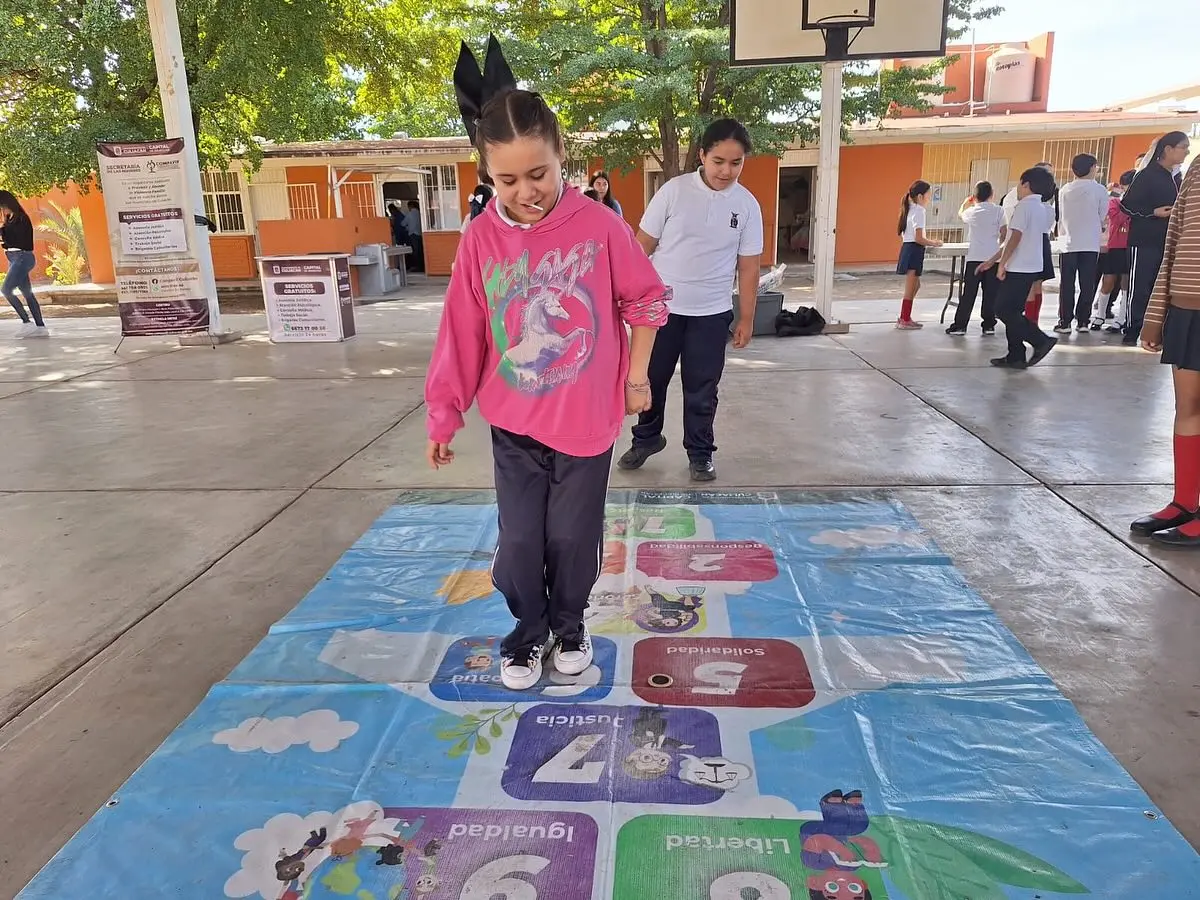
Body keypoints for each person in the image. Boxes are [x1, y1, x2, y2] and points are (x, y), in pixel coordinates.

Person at [427, 37, 669, 690]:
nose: (525, 191)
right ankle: (526, 634)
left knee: (570, 538)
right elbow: (462, 331)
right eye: (506, 180)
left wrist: (637, 377)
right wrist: (445, 413)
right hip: (514, 421)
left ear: (562, 153)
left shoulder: (601, 226)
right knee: (519, 543)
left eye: (538, 173)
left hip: (586, 421)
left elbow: (646, 302)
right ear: (487, 175)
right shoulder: (481, 238)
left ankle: (569, 627)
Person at [615, 118, 764, 483]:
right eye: (718, 161)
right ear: (702, 155)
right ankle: (647, 439)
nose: (726, 171)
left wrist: (746, 318)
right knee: (650, 379)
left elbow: (748, 267)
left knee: (702, 388)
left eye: (736, 162)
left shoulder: (746, 205)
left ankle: (700, 452)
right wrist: (622, 295)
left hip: (711, 314)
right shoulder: (674, 192)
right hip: (661, 311)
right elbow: (641, 246)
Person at [1133, 161, 1200, 545]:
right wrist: (1156, 314)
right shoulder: (1196, 170)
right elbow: (1173, 242)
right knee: (1187, 407)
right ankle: (1184, 502)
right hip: (1186, 307)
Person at [979, 166, 1059, 369]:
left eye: (1019, 184)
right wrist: (992, 260)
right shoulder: (1042, 208)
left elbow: (1015, 237)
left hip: (1019, 266)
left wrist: (1001, 264)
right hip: (1031, 266)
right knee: (1013, 311)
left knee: (1003, 310)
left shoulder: (1024, 206)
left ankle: (1040, 340)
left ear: (1026, 184)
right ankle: (1016, 354)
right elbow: (1014, 239)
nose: (1017, 189)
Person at [1121, 131, 1191, 345]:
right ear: (1168, 149)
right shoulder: (1146, 175)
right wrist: (1153, 212)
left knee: (1160, 288)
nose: (1187, 152)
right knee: (1139, 286)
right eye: (1183, 147)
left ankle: (1155, 330)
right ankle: (1133, 328)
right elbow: (1126, 205)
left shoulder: (1178, 178)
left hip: (1168, 242)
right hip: (1143, 241)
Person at [1055, 153, 1109, 333]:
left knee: (1067, 284)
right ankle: (1083, 321)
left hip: (1067, 242)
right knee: (1087, 283)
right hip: (1090, 242)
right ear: (1092, 168)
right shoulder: (1100, 190)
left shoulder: (1064, 190)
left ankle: (1064, 322)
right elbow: (1103, 215)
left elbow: (1060, 215)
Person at [947, 181, 1005, 336]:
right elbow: (1004, 232)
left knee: (969, 293)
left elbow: (961, 214)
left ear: (975, 196)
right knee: (991, 293)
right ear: (992, 194)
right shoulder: (999, 210)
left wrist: (966, 203)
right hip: (993, 258)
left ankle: (960, 325)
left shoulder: (972, 211)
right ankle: (988, 325)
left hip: (975, 257)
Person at [1003, 162, 1057, 324]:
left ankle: (1031, 323)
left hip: (1038, 241)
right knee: (1029, 287)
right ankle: (1029, 325)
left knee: (1036, 284)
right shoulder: (1020, 199)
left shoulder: (1044, 204)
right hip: (1026, 243)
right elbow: (1013, 227)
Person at [894, 180, 943, 330]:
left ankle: (905, 316)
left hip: (909, 249)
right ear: (921, 196)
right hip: (914, 249)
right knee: (910, 288)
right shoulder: (919, 211)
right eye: (928, 195)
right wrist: (934, 243)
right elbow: (919, 238)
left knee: (916, 285)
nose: (929, 198)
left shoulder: (910, 208)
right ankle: (904, 319)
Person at [0, 191, 48, 338]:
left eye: (2, 206)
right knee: (27, 293)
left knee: (6, 290)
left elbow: (21, 242)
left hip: (22, 257)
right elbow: (7, 242)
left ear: (7, 204)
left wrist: (3, 237)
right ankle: (40, 327)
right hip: (14, 258)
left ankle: (27, 323)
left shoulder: (21, 219)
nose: (2, 210)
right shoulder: (9, 219)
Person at [1096, 170, 1135, 331]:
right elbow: (1117, 218)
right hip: (1114, 246)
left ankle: (1122, 318)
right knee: (1108, 281)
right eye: (1126, 186)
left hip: (1130, 246)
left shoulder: (1140, 204)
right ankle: (1100, 315)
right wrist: (1129, 207)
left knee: (1126, 283)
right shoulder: (1114, 202)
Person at [403, 199, 425, 271]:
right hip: (420, 234)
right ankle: (422, 266)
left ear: (410, 206)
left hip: (413, 234)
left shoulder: (410, 214)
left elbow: (403, 223)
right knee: (420, 251)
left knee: (414, 251)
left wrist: (407, 227)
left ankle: (416, 267)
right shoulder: (420, 213)